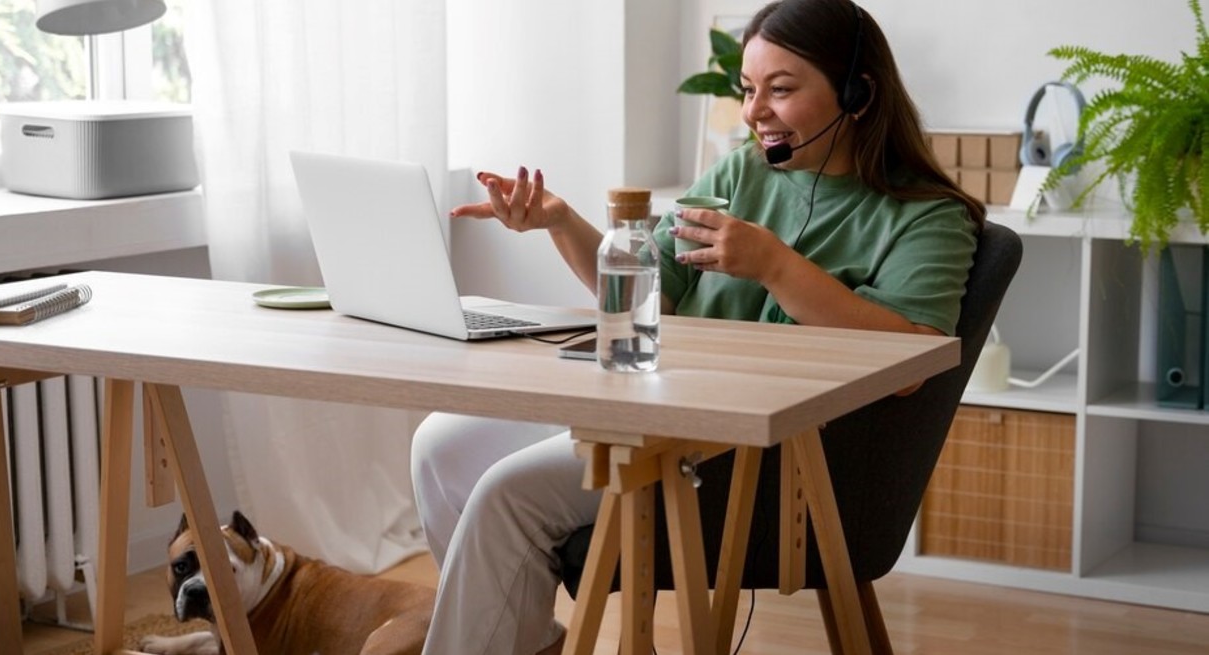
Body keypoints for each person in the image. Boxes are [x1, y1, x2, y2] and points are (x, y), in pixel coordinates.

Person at [410, 0, 985, 652]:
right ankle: (524, 639)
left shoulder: (927, 215)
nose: (754, 111)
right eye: (747, 90)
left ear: (857, 93)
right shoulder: (741, 173)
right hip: (662, 411)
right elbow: (643, 290)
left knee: (506, 495)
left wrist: (775, 265)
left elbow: (917, 358)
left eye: (781, 89)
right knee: (440, 445)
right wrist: (560, 221)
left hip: (762, 462)